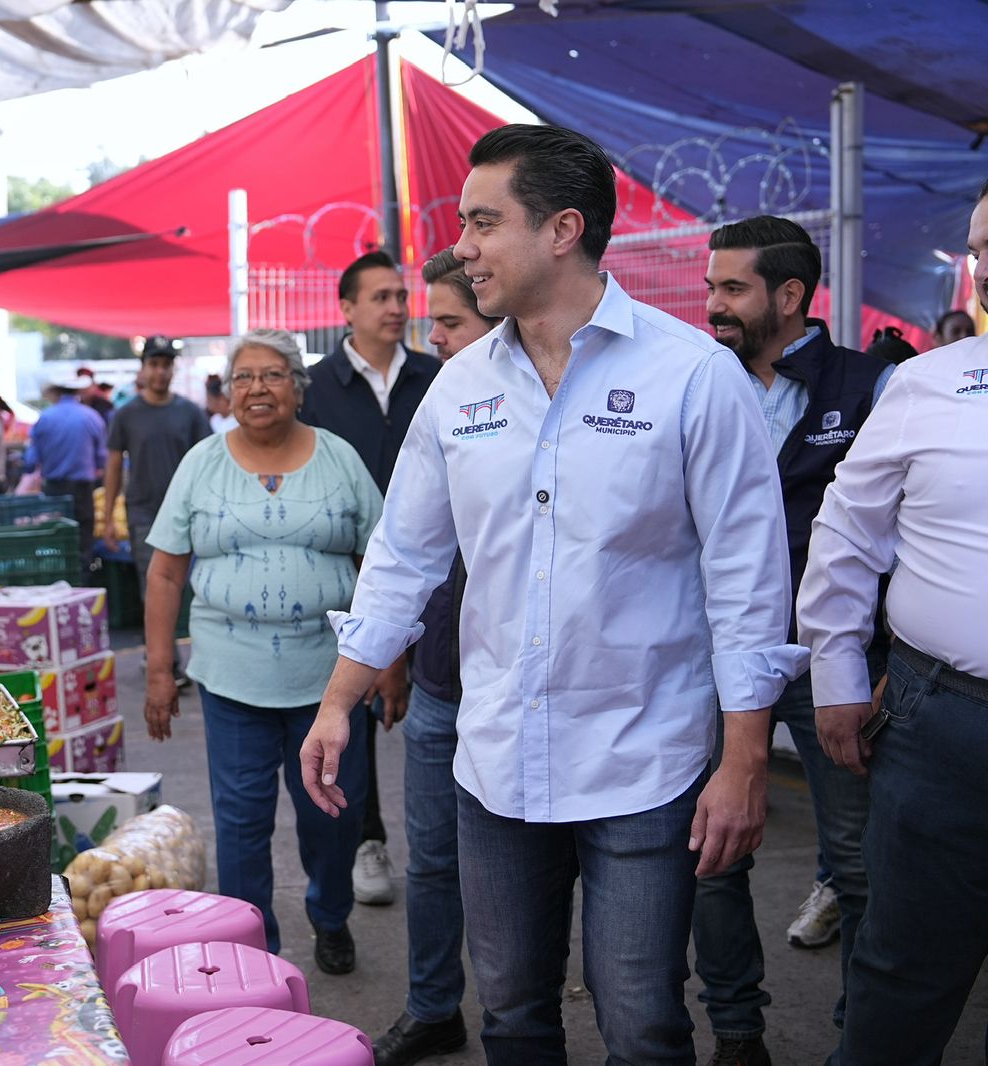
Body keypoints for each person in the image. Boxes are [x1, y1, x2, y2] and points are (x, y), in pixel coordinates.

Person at [300, 123, 802, 1063]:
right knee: (514, 1015)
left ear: (563, 228)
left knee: (643, 1022)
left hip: (644, 763)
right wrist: (339, 702)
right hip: (496, 764)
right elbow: (403, 555)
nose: (461, 251)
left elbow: (747, 585)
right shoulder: (458, 390)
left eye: (484, 223)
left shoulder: (692, 375)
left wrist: (744, 763)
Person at [692, 215, 895, 1066]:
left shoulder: (873, 386)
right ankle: (739, 1031)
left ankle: (865, 1038)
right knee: (711, 853)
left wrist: (889, 667)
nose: (713, 307)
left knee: (858, 865)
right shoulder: (696, 381)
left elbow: (901, 536)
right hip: (712, 657)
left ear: (789, 295)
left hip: (831, 662)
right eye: (710, 288)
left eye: (732, 289)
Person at [797, 179, 988, 1066]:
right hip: (943, 723)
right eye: (981, 250)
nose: (985, 269)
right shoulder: (924, 384)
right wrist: (836, 677)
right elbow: (845, 536)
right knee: (905, 973)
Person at [142, 329, 384, 975]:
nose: (257, 388)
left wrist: (390, 660)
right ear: (228, 390)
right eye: (244, 376)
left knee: (331, 813)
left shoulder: (340, 459)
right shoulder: (202, 462)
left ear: (297, 388)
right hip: (230, 677)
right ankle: (253, 944)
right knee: (242, 823)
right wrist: (160, 672)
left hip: (328, 679)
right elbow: (165, 573)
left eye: (273, 374)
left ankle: (330, 914)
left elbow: (382, 566)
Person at [373, 249, 499, 1066]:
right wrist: (390, 657)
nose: (435, 340)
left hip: (509, 691)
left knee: (517, 873)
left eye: (449, 323)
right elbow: (401, 552)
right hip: (438, 684)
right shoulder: (445, 402)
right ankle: (433, 1007)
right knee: (430, 864)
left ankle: (522, 1011)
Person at [298, 250, 440, 908]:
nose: (396, 308)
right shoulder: (316, 390)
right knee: (355, 707)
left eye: (400, 295)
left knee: (428, 706)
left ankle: (449, 843)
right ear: (346, 309)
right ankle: (368, 837)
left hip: (438, 567)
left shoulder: (439, 377)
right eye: (379, 297)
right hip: (352, 576)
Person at [100, 335, 210, 686]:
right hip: (144, 514)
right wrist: (107, 518)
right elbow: (115, 465)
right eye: (154, 364)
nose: (160, 372)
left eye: (166, 365)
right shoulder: (126, 414)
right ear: (143, 368)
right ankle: (165, 663)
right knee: (155, 586)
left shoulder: (190, 413)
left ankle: (198, 662)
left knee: (196, 589)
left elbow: (208, 462)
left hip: (189, 513)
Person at [27, 377, 107, 565]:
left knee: (56, 541)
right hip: (83, 490)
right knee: (83, 541)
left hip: (54, 490)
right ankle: (84, 581)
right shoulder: (91, 417)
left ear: (56, 393)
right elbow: (102, 459)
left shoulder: (45, 418)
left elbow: (31, 461)